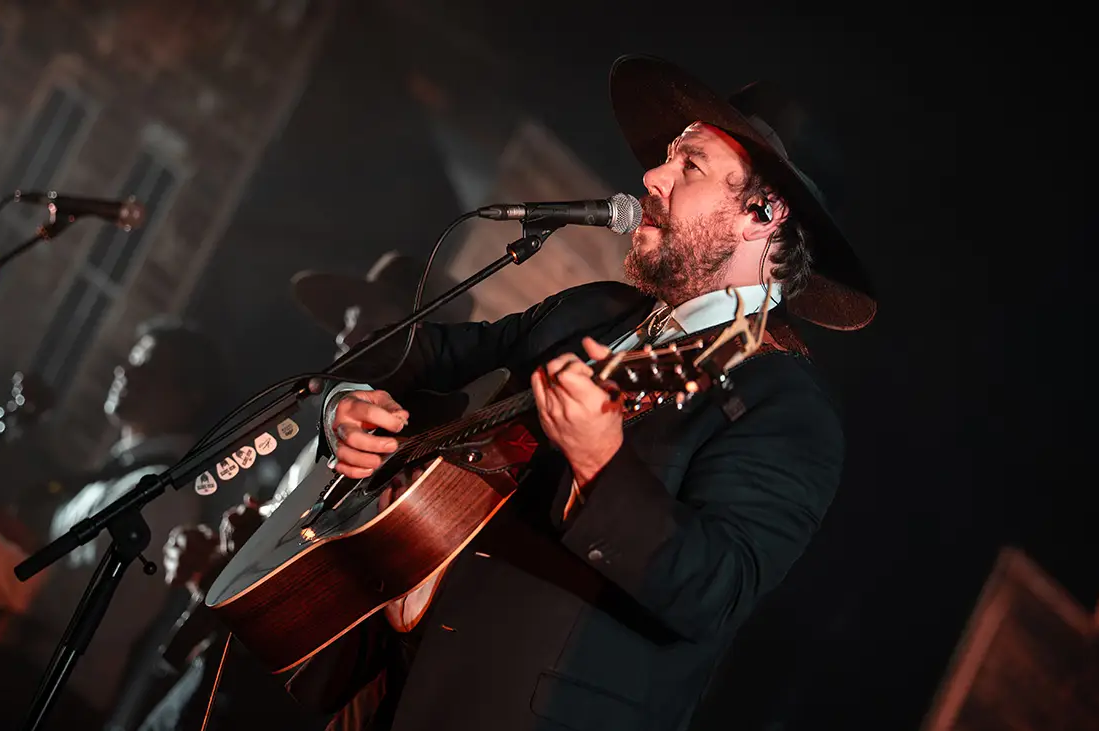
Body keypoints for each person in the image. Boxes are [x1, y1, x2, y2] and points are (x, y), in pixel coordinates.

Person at [285, 54, 877, 731]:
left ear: (762, 213)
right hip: (378, 682)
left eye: (689, 166)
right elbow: (423, 352)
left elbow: (716, 589)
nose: (651, 175)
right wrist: (343, 400)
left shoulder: (788, 410)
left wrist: (603, 466)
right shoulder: (592, 312)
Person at [134, 252, 473, 730]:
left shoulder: (413, 447)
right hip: (220, 680)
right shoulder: (331, 428)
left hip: (275, 704)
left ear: (413, 331)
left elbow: (358, 595)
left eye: (360, 318)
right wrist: (218, 562)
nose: (342, 336)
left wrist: (269, 551)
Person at [0, 317, 233, 731]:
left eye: (147, 367)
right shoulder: (129, 473)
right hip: (23, 682)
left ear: (188, 397)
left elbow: (86, 608)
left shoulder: (163, 496)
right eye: (130, 361)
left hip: (46, 701)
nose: (124, 371)